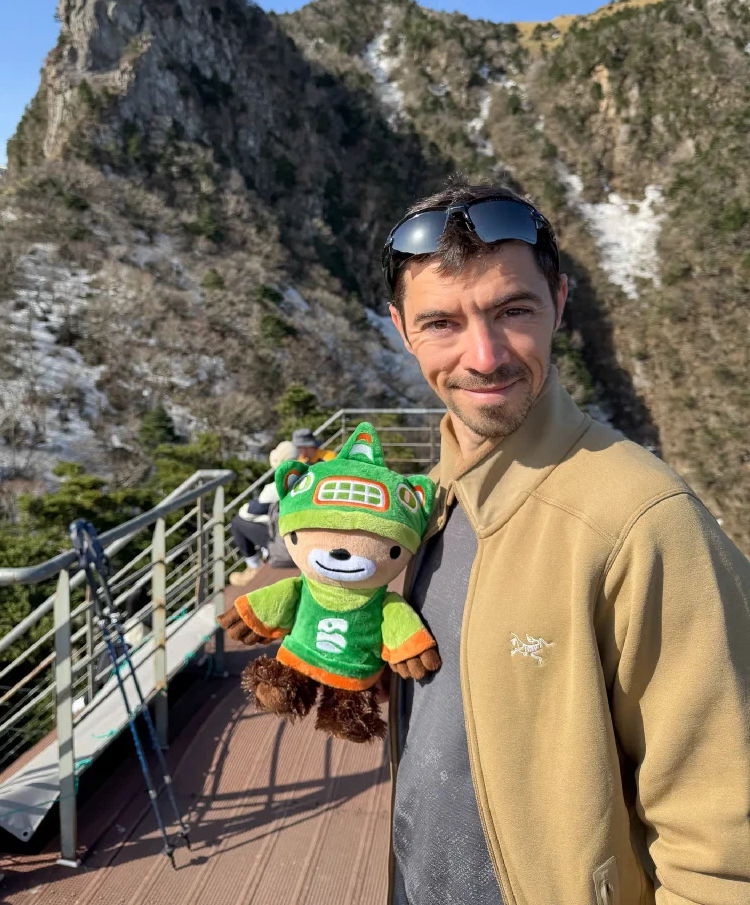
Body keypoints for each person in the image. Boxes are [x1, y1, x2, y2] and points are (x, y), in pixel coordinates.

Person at [381, 178, 750, 905]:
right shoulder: (430, 504)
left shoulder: (642, 522)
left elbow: (724, 847)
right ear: (401, 330)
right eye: (442, 323)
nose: (483, 356)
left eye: (512, 310)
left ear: (559, 300)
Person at [228, 440, 297, 586]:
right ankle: (262, 556)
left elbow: (251, 511)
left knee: (237, 523)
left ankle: (254, 566)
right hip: (302, 535)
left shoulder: (277, 486)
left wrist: (247, 506)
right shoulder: (304, 474)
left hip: (285, 544)